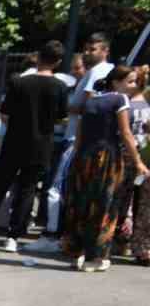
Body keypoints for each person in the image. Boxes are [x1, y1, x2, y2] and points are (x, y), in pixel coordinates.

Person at [0, 41, 70, 253]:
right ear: (57, 62)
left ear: (38, 57)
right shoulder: (60, 87)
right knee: (28, 190)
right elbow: (61, 118)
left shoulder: (19, 83)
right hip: (42, 145)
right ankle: (13, 237)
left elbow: (5, 114)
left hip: (14, 141)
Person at [32, 33, 116, 253]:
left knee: (56, 189)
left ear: (105, 51)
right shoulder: (106, 72)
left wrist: (61, 106)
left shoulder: (97, 73)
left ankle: (51, 235)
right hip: (93, 140)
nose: (88, 52)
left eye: (94, 49)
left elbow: (90, 106)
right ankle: (69, 237)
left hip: (77, 139)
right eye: (87, 48)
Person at [60, 65, 148, 271]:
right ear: (116, 82)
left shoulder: (91, 101)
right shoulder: (120, 100)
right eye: (130, 81)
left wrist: (76, 158)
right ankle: (95, 257)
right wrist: (137, 161)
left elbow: (80, 135)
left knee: (81, 204)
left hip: (84, 157)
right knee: (104, 206)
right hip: (107, 158)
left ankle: (77, 253)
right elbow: (126, 134)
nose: (133, 86)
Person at [107, 65, 150, 262]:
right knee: (127, 201)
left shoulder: (130, 104)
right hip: (135, 157)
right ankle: (123, 242)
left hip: (134, 157)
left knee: (122, 199)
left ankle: (119, 240)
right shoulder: (130, 104)